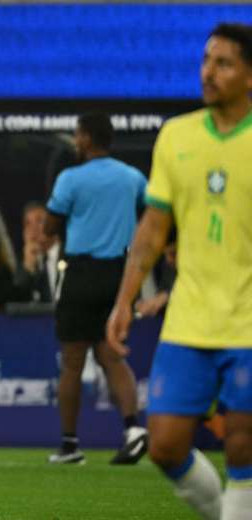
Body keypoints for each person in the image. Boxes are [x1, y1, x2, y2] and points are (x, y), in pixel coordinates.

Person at [106, 23, 252, 519]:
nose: (208, 73)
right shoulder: (177, 135)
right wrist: (125, 299)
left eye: (224, 63)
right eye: (206, 60)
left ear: (250, 75)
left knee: (241, 447)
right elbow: (151, 229)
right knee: (165, 444)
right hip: (189, 320)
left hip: (248, 321)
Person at [44, 113, 149, 465]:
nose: (75, 140)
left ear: (87, 138)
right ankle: (133, 429)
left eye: (77, 135)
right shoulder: (133, 178)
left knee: (73, 362)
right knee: (112, 356)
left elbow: (49, 225)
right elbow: (151, 218)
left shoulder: (71, 178)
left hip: (81, 273)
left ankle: (70, 445)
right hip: (119, 274)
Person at [15, 202, 61, 304]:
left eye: (40, 221)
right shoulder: (25, 262)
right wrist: (28, 267)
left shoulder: (69, 255)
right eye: (28, 224)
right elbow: (17, 305)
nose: (33, 229)